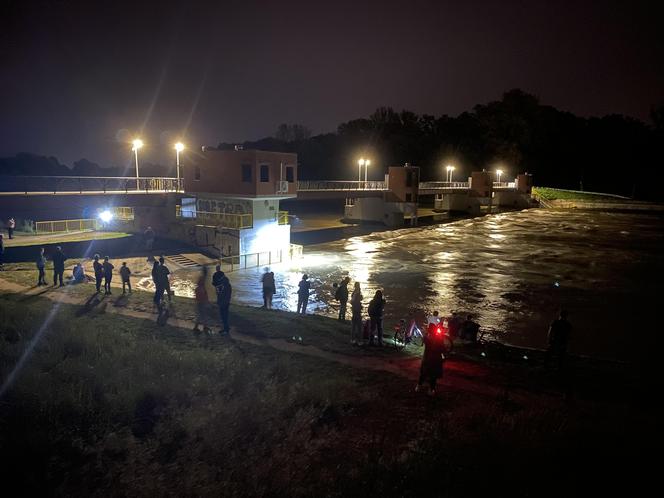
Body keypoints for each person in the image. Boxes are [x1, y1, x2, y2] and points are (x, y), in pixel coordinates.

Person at [415, 325, 447, 396]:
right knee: (433, 375)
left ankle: (418, 386)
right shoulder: (439, 339)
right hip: (436, 359)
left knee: (423, 373)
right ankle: (431, 389)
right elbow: (443, 349)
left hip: (426, 358)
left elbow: (424, 340)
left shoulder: (426, 338)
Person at [213, 269, 232, 335]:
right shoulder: (226, 283)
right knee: (225, 315)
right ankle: (226, 328)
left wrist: (217, 289)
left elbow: (220, 294)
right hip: (226, 301)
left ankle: (226, 330)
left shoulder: (222, 285)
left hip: (223, 302)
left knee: (223, 316)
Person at [193, 266, 211, 334]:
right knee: (202, 314)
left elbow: (201, 288)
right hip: (201, 300)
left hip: (201, 299)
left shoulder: (202, 278)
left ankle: (201, 326)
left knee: (202, 314)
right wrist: (205, 300)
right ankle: (199, 327)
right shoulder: (203, 279)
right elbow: (202, 289)